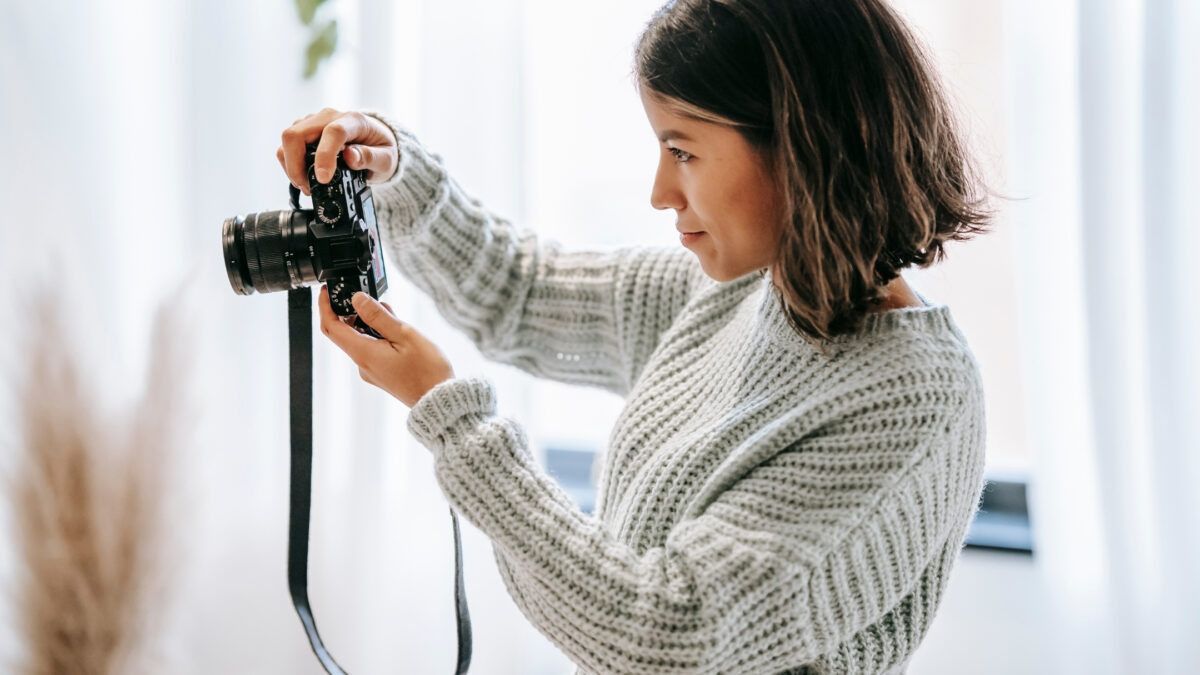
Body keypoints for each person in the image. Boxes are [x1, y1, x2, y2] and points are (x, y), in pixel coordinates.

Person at [277, 0, 991, 672]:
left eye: (682, 151)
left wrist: (452, 421)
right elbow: (521, 294)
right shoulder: (740, 292)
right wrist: (396, 168)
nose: (661, 191)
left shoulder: (912, 399)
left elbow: (667, 636)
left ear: (803, 144)